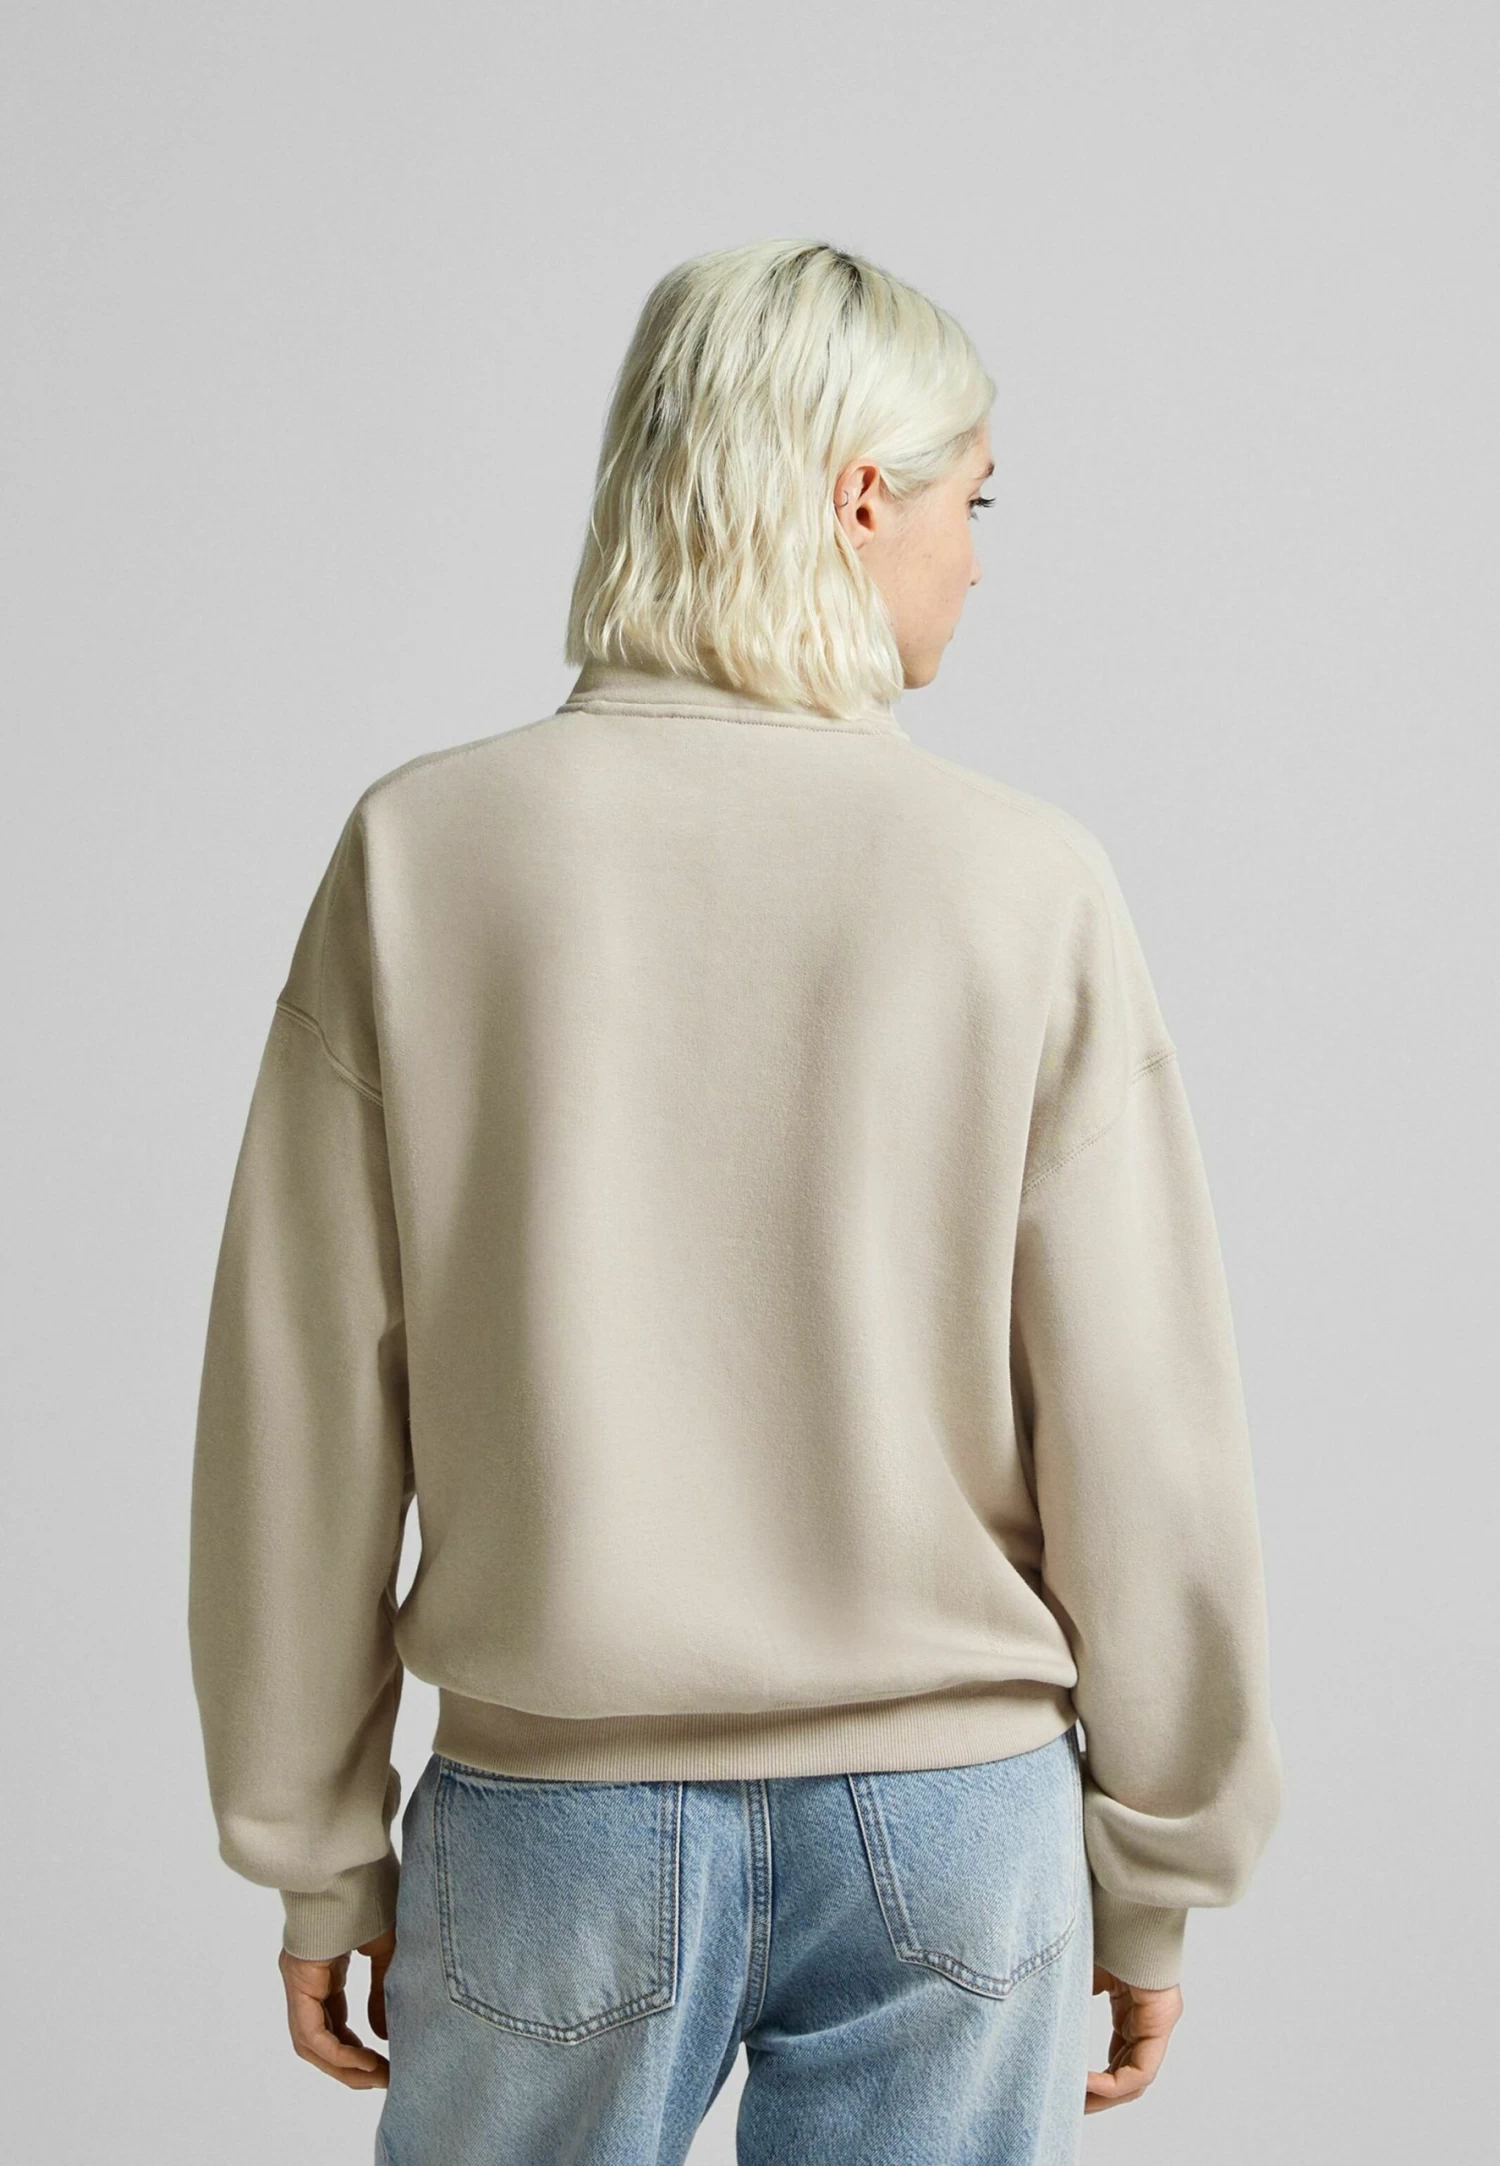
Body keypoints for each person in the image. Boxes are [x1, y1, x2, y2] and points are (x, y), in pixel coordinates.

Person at [188, 237, 1283, 2164]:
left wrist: (316, 1843)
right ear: (863, 498)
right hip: (952, 1823)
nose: (976, 556)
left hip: (556, 1824)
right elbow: (1141, 1419)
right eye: (971, 500)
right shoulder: (1023, 882)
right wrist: (1160, 1865)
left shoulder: (424, 854)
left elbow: (302, 1401)